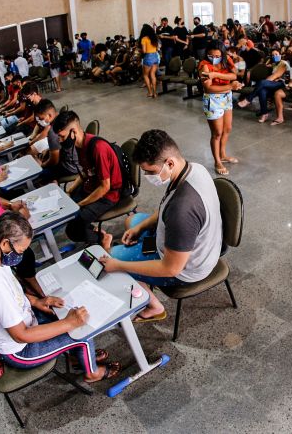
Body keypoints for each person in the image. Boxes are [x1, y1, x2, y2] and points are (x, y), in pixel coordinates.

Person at [0, 212, 120, 382]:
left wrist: (36, 301)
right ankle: (91, 373)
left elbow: (11, 292)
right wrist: (68, 323)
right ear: (5, 243)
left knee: (64, 312)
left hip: (25, 321)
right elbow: (21, 335)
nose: (20, 256)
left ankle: (75, 354)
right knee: (82, 331)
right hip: (18, 351)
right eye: (20, 251)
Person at [99, 130, 222, 323]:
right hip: (196, 242)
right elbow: (166, 205)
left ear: (169, 163)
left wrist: (119, 265)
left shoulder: (183, 210)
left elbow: (171, 268)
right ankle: (137, 240)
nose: (148, 176)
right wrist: (140, 228)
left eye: (150, 172)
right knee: (132, 222)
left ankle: (154, 306)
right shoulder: (192, 169)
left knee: (112, 260)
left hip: (186, 270)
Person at [52, 111, 123, 245]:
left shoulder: (98, 148)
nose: (60, 141)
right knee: (66, 210)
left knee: (73, 231)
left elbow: (105, 187)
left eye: (61, 136)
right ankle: (93, 230)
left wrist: (81, 204)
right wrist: (70, 190)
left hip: (108, 196)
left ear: (73, 132)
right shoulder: (79, 145)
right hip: (92, 187)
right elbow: (86, 173)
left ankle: (103, 239)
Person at [199, 43, 242, 175]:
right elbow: (208, 88)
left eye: (217, 56)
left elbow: (235, 75)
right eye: (211, 55)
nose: (214, 58)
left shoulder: (226, 59)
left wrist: (215, 75)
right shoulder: (204, 65)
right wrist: (230, 86)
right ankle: (217, 161)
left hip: (226, 97)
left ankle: (223, 154)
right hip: (213, 99)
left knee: (227, 129)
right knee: (217, 133)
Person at [30, 100, 80, 184]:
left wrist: (43, 165)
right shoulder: (65, 120)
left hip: (71, 167)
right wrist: (49, 150)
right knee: (43, 157)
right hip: (78, 161)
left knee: (38, 174)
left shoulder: (53, 131)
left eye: (41, 119)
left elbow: (54, 160)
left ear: (49, 115)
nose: (39, 122)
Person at [138, 24, 160, 98]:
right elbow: (157, 49)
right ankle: (155, 93)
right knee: (153, 75)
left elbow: (144, 51)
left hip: (148, 57)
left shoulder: (144, 39)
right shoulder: (154, 37)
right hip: (155, 56)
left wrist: (139, 50)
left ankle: (150, 92)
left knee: (145, 75)